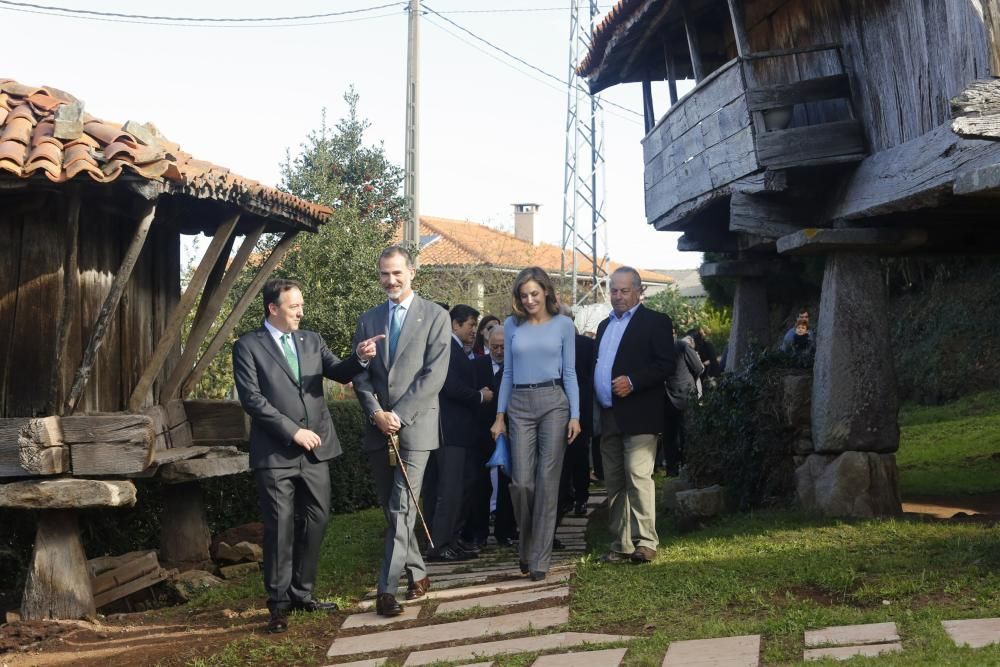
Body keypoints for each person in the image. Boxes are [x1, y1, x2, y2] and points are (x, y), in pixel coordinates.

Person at [232, 278, 383, 634]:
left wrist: (360, 357)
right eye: (294, 306)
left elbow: (338, 372)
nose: (301, 311)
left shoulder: (311, 340)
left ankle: (303, 593)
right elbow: (253, 400)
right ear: (273, 308)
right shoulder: (247, 346)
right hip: (276, 453)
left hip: (317, 450)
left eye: (301, 304)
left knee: (316, 520)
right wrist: (292, 431)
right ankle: (278, 604)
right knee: (280, 527)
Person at [352, 246, 452, 617]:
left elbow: (433, 376)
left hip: (416, 427)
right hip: (378, 428)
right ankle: (419, 573)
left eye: (396, 273)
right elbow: (359, 374)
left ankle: (386, 590)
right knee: (392, 511)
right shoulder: (368, 319)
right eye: (383, 274)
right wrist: (377, 413)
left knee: (402, 506)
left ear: (412, 272)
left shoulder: (436, 316)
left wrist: (399, 415)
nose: (390, 281)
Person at [491, 266, 580, 582]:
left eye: (534, 294)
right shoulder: (512, 326)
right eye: (523, 295)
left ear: (546, 293)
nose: (529, 300)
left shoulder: (564, 325)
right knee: (522, 483)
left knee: (547, 481)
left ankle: (539, 557)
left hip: (554, 402)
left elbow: (570, 373)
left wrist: (575, 415)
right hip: (519, 404)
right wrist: (499, 417)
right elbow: (508, 374)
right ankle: (525, 546)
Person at [594, 267, 675, 565]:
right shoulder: (604, 326)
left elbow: (666, 363)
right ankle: (622, 543)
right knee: (614, 482)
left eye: (624, 290)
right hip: (609, 414)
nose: (618, 296)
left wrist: (634, 381)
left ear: (639, 291)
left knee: (638, 476)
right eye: (614, 290)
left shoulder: (655, 322)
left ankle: (646, 542)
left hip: (641, 414)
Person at [425, 304, 493, 561]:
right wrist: (480, 395)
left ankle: (452, 538)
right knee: (449, 489)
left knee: (464, 484)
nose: (474, 331)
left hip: (461, 430)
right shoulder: (446, 349)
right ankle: (439, 543)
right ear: (455, 324)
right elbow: (451, 387)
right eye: (470, 325)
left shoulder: (456, 350)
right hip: (449, 430)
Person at [558, 304, 595, 518]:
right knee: (568, 456)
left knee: (577, 455)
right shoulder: (553, 344)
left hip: (579, 408)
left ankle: (578, 497)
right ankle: (573, 497)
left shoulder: (587, 345)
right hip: (558, 406)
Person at [662, 331, 706, 476]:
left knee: (669, 436)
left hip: (666, 398)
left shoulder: (657, 350)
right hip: (686, 396)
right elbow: (699, 368)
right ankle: (689, 467)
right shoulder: (682, 346)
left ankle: (672, 470)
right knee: (688, 433)